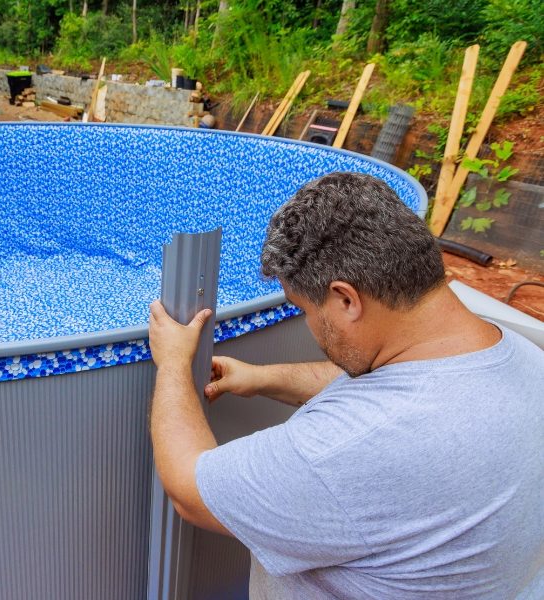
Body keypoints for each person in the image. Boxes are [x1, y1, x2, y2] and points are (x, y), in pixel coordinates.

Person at [148, 172, 544, 599]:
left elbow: (189, 490)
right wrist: (264, 378)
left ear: (346, 299)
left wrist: (172, 361)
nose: (311, 328)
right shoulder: (521, 356)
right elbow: (393, 389)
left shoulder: (343, 451)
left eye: (304, 310)